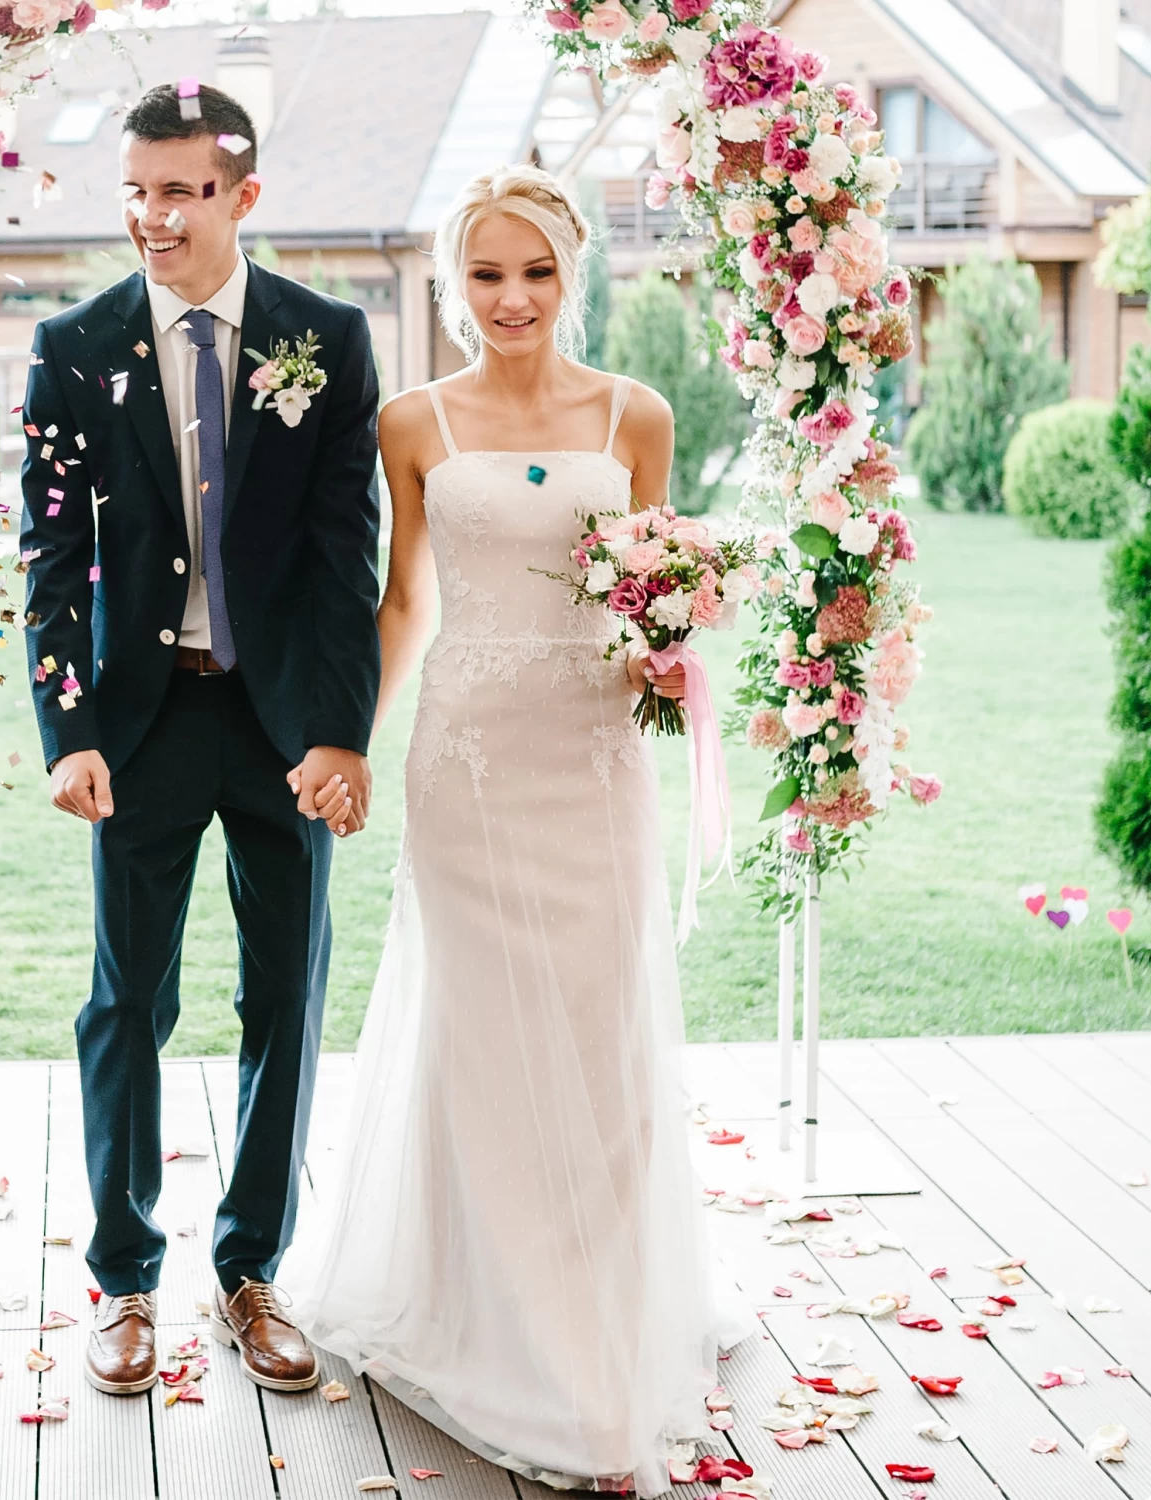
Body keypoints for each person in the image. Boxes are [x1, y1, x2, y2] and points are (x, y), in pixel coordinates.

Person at [282, 165, 749, 1496]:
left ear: (571, 274)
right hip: (470, 765)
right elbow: (404, 603)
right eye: (486, 274)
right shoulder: (414, 422)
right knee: (482, 1038)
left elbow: (651, 595)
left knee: (599, 1039)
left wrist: (667, 652)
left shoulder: (635, 415)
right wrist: (349, 741)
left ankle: (600, 1317)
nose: (512, 298)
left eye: (536, 272)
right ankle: (498, 1316)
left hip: (593, 760)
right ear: (454, 282)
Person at [20, 82, 381, 1397]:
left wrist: (338, 733)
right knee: (129, 1000)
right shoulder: (72, 345)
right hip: (142, 723)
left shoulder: (326, 338)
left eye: (180, 190)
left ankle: (249, 1269)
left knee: (285, 993)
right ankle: (124, 1279)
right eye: (136, 189)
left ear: (243, 195)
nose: (153, 215)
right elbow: (51, 557)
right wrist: (69, 730)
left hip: (283, 726)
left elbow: (346, 557)